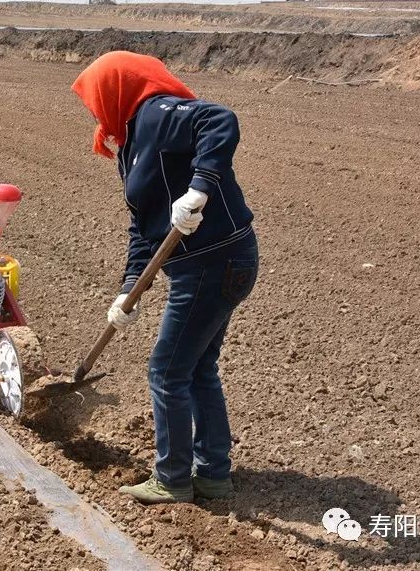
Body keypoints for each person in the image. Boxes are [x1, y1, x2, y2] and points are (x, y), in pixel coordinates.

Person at [71, 51, 258, 505]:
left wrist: (200, 188)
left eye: (95, 100)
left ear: (115, 89)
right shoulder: (130, 143)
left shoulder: (156, 113)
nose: (95, 111)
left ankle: (172, 479)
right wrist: (126, 291)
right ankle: (212, 474)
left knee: (167, 371)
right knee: (196, 368)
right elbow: (143, 228)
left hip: (213, 263)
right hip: (217, 263)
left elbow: (220, 121)